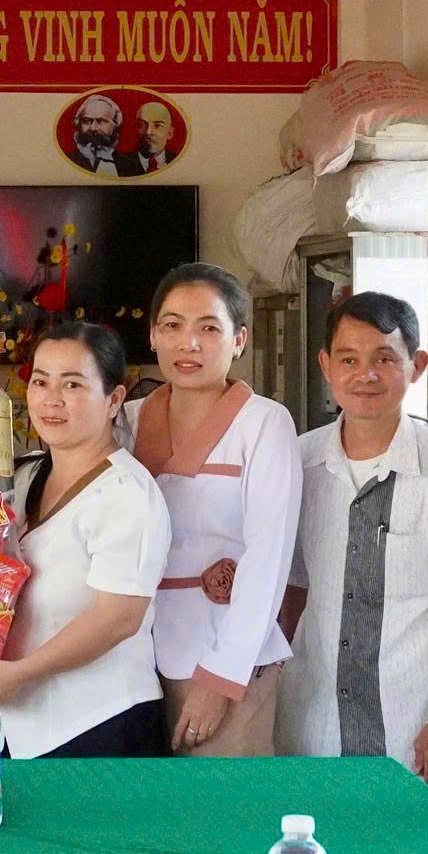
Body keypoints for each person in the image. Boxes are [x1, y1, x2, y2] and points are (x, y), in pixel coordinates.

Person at [277, 293, 428, 813]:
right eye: (349, 359)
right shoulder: (299, 462)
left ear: (417, 365)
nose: (366, 375)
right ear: (326, 366)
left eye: (384, 358)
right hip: (314, 730)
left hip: (416, 731)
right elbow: (292, 589)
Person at [0, 321, 171, 757]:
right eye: (40, 382)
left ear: (114, 399)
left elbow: (118, 617)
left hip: (98, 723)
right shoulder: (23, 476)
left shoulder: (126, 492)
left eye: (73, 384)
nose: (51, 399)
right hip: (17, 722)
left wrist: (22, 673)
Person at [121, 262, 301, 756]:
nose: (189, 344)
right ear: (153, 335)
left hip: (225, 657)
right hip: (134, 664)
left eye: (209, 328)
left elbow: (269, 558)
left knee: (224, 801)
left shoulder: (264, 423)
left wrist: (221, 677)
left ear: (239, 340)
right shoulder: (125, 421)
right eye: (173, 325)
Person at [68, 93, 125, 177]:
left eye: (101, 121)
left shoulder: (130, 165)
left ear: (115, 126)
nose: (93, 128)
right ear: (78, 124)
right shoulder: (67, 161)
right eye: (87, 121)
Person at [131, 102, 176, 174]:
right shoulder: (119, 163)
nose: (148, 132)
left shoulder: (180, 161)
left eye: (157, 126)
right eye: (141, 125)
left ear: (170, 133)